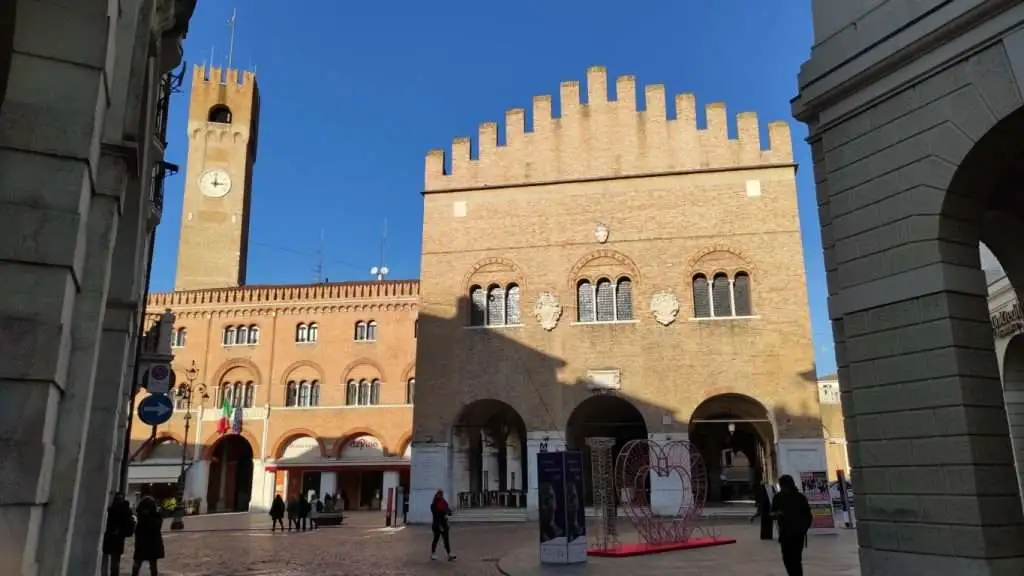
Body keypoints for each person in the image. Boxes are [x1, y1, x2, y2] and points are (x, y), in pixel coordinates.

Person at [771, 474, 813, 576]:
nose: (783, 488)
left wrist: (804, 528)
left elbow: (808, 516)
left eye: (785, 486)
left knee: (796, 559)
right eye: (782, 486)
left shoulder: (800, 498)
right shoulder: (778, 497)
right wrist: (776, 515)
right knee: (787, 559)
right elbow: (772, 513)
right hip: (785, 534)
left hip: (798, 534)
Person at [102, 492, 135, 576]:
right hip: (116, 538)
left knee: (112, 561)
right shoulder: (125, 510)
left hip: (113, 537)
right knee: (113, 561)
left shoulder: (116, 509)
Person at [131, 495, 165, 576]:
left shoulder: (149, 516)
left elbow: (155, 527)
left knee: (147, 565)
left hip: (146, 544)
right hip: (148, 544)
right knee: (146, 564)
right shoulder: (147, 516)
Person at [429, 489, 456, 561]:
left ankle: (449, 554)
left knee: (446, 539)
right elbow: (436, 513)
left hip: (443, 523)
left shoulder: (443, 503)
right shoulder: (433, 505)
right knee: (436, 539)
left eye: (442, 494)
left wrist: (448, 511)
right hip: (437, 524)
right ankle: (433, 553)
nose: (441, 496)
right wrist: (443, 510)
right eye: (440, 494)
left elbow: (448, 510)